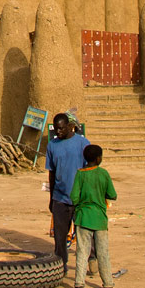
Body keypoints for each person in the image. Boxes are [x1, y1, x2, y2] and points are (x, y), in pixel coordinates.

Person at [69, 143, 117, 288]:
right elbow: (112, 194)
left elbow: (74, 197)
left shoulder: (80, 174)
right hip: (100, 219)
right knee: (103, 252)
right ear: (98, 159)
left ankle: (79, 285)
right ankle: (108, 285)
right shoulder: (104, 174)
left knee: (82, 252)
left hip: (83, 218)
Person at [46, 112, 91, 273]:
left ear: (70, 127)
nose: (58, 132)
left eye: (61, 129)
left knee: (85, 233)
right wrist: (51, 199)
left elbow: (89, 169)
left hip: (80, 198)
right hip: (60, 197)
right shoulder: (52, 145)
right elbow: (51, 173)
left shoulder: (82, 143)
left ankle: (91, 259)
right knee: (60, 235)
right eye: (56, 129)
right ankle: (61, 264)